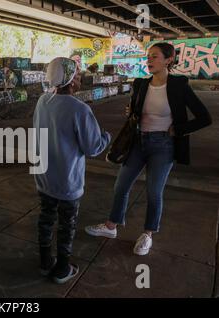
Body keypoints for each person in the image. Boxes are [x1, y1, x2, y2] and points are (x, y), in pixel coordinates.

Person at [85, 42, 212, 255]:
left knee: (154, 192)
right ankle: (110, 227)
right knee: (121, 186)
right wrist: (131, 112)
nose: (149, 60)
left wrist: (177, 130)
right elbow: (135, 110)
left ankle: (148, 234)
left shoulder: (179, 85)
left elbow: (204, 118)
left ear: (169, 60)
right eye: (148, 56)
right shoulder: (141, 84)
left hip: (163, 146)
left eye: (154, 56)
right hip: (138, 142)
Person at [34, 57, 111, 284]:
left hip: (44, 176)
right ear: (69, 79)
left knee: (46, 218)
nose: (79, 77)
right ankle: (62, 269)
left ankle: (45, 262)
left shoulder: (42, 101)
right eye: (76, 74)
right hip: (68, 181)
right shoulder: (80, 109)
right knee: (67, 225)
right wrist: (106, 137)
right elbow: (92, 147)